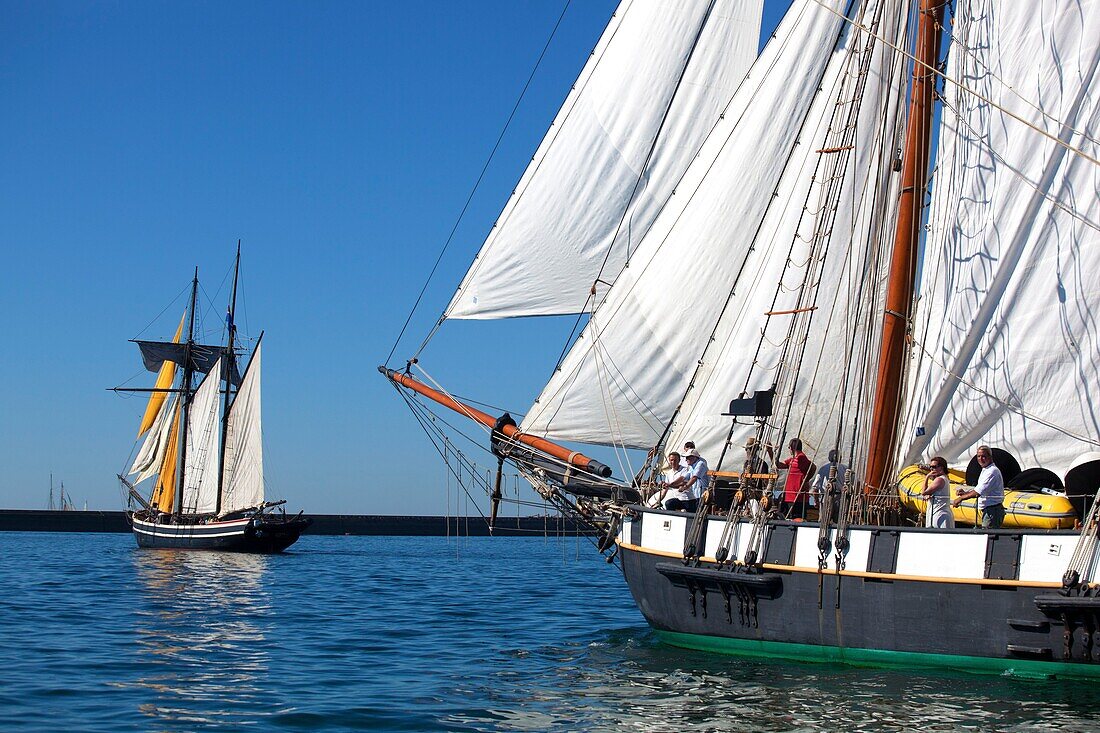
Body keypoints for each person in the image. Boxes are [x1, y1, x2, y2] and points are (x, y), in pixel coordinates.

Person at [952, 445, 1005, 528]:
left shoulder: (992, 471)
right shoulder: (986, 469)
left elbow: (979, 492)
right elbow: (979, 488)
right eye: (978, 456)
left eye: (984, 456)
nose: (980, 459)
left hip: (993, 510)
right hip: (989, 510)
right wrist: (965, 493)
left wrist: (960, 498)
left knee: (988, 536)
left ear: (990, 457)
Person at [768, 438, 814, 517]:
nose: (788, 449)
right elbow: (778, 465)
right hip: (789, 496)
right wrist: (770, 452)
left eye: (789, 447)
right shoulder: (793, 459)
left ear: (792, 447)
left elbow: (813, 467)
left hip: (797, 497)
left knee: (795, 518)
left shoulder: (801, 457)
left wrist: (806, 480)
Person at [920, 456, 955, 529]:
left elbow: (923, 492)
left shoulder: (939, 479)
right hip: (938, 512)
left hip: (939, 513)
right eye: (931, 467)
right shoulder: (945, 478)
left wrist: (927, 477)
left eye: (934, 467)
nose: (932, 469)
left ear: (941, 468)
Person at [675, 448, 709, 513]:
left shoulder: (701, 464)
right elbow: (684, 478)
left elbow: (694, 478)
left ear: (694, 457)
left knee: (699, 512)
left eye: (687, 457)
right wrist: (671, 484)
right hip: (695, 496)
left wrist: (685, 487)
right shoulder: (691, 466)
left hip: (703, 495)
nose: (686, 459)